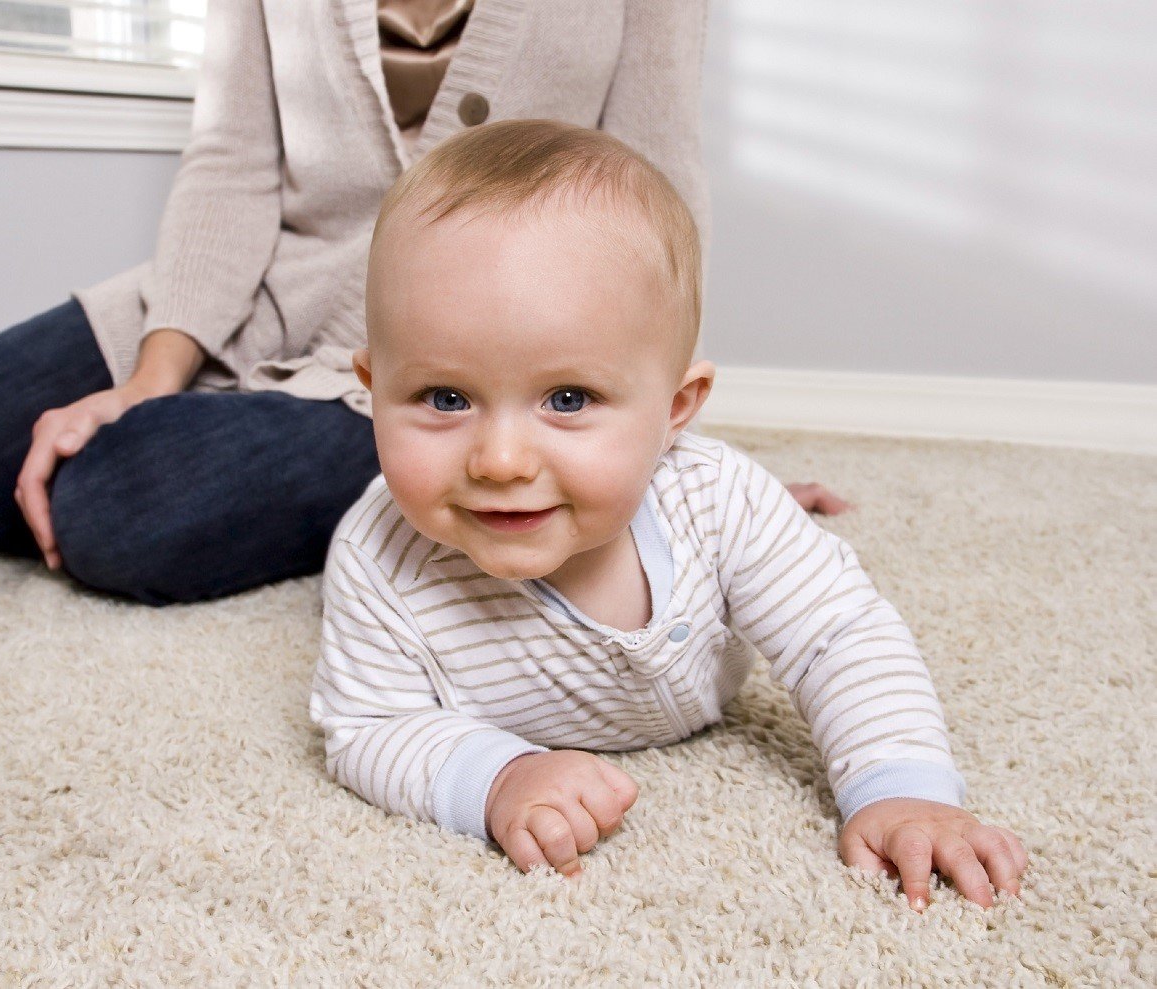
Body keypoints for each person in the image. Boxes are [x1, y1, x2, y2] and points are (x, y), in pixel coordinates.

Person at [0, 0, 844, 603]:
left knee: (116, 507)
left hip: (436, 381)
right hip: (236, 300)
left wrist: (653, 453)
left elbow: (655, 185)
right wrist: (145, 378)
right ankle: (161, 420)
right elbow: (230, 166)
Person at [309, 119, 1028, 911]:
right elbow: (368, 725)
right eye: (445, 398)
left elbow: (839, 634)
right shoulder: (379, 557)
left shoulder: (717, 499)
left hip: (705, 518)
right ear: (374, 390)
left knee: (773, 545)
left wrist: (903, 785)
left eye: (569, 399)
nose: (501, 460)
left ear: (674, 408)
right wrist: (496, 774)